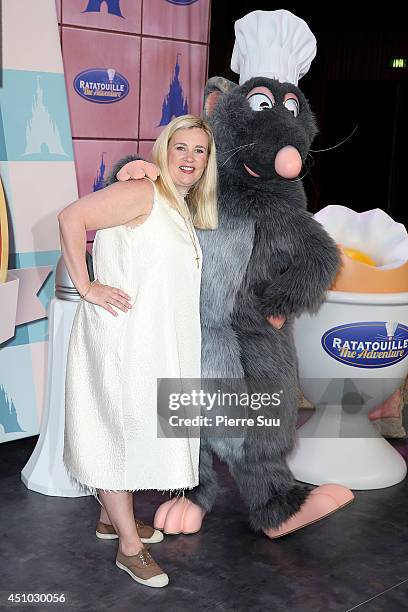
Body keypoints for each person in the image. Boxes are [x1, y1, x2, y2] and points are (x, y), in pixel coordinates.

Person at [58, 115, 218, 588]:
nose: (189, 158)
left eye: (200, 151)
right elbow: (72, 217)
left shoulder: (177, 206)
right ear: (163, 151)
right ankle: (130, 548)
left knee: (133, 430)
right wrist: (86, 286)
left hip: (151, 341)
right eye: (181, 148)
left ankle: (112, 519)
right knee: (115, 433)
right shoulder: (144, 191)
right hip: (120, 340)